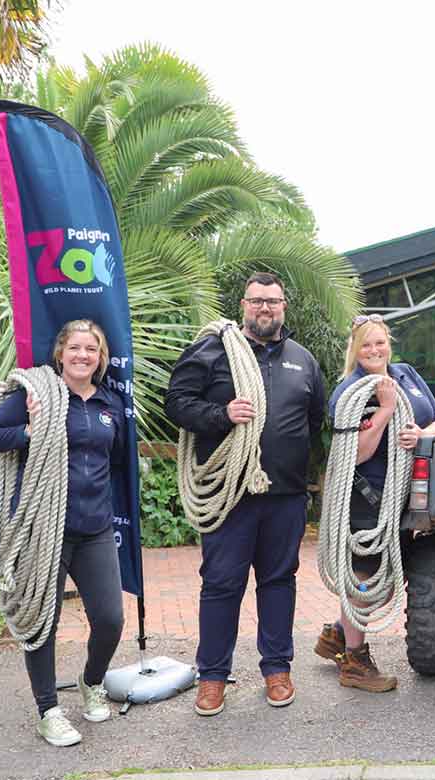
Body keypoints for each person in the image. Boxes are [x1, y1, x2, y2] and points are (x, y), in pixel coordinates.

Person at [165, 271, 326, 716]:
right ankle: (212, 677)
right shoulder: (213, 349)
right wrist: (222, 414)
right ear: (243, 305)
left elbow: (315, 421)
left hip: (285, 495)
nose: (265, 308)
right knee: (221, 585)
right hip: (230, 495)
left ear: (284, 307)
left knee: (278, 582)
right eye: (257, 301)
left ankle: (277, 669)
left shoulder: (303, 360)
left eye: (273, 301)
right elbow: (176, 402)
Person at [0, 320, 126, 746]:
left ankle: (91, 681)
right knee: (44, 622)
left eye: (91, 349)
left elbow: (112, 459)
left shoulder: (109, 402)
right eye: (75, 347)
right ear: (60, 352)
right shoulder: (33, 395)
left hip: (95, 526)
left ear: (100, 357)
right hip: (44, 529)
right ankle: (48, 710)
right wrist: (28, 431)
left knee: (110, 619)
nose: (83, 355)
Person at [314, 313, 435, 691]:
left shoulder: (406, 374)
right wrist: (387, 410)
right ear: (355, 351)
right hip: (367, 497)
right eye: (366, 345)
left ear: (389, 343)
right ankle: (354, 663)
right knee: (365, 579)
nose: (374, 350)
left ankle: (339, 634)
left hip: (405, 493)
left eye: (380, 342)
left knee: (389, 579)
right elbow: (354, 453)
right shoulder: (349, 392)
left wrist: (421, 435)